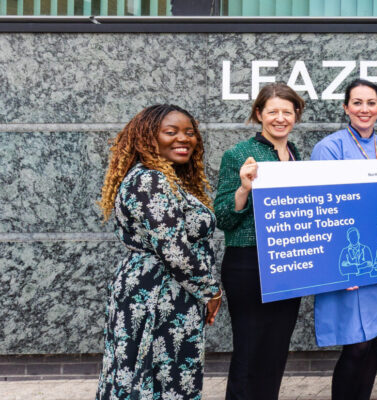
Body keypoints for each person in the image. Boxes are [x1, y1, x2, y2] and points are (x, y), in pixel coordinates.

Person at [95, 105, 222, 399]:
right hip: (157, 295)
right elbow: (174, 250)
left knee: (148, 375)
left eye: (189, 132)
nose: (184, 138)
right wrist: (211, 292)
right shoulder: (151, 180)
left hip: (164, 291)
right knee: (157, 378)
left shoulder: (158, 178)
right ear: (148, 137)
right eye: (171, 132)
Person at [309, 78, 377, 400]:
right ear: (345, 107)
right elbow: (323, 208)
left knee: (374, 340)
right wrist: (337, 268)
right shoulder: (329, 148)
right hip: (350, 263)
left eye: (371, 103)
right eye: (357, 103)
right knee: (356, 344)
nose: (364, 110)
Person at [214, 82, 305, 400]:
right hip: (248, 262)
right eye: (272, 111)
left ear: (296, 115)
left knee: (276, 350)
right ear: (259, 114)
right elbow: (222, 218)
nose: (280, 118)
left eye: (287, 111)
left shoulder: (296, 156)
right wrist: (243, 189)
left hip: (288, 262)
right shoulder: (238, 154)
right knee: (249, 350)